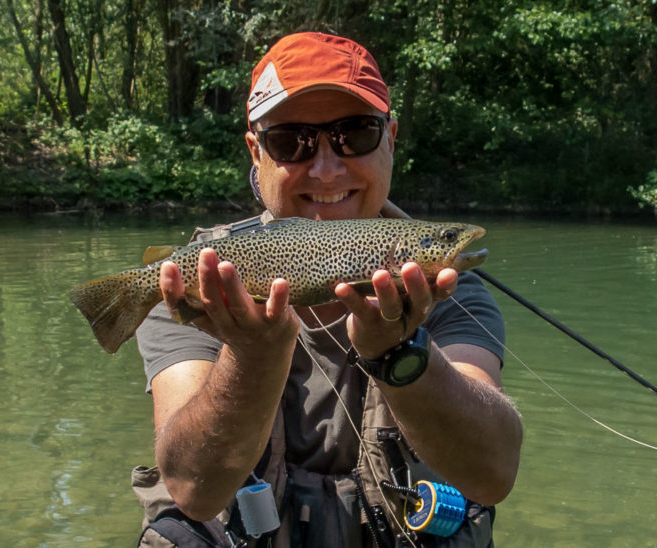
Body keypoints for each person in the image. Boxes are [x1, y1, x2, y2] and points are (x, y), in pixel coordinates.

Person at [134, 32, 522, 547]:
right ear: (256, 152)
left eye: (355, 133)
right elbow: (193, 491)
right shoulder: (204, 277)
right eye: (290, 140)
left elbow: (492, 475)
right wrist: (252, 356)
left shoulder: (449, 291)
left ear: (390, 138)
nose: (325, 168)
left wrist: (400, 354)